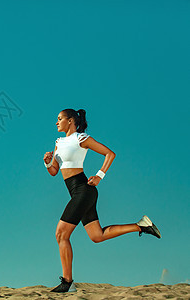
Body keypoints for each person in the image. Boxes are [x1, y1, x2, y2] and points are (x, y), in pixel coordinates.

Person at [43, 108, 161, 293]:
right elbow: (54, 171)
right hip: (77, 193)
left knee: (61, 234)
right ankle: (141, 226)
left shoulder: (81, 139)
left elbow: (109, 154)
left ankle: (67, 282)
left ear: (71, 121)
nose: (56, 122)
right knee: (97, 236)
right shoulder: (58, 142)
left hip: (84, 190)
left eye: (59, 119)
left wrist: (99, 176)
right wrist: (48, 161)